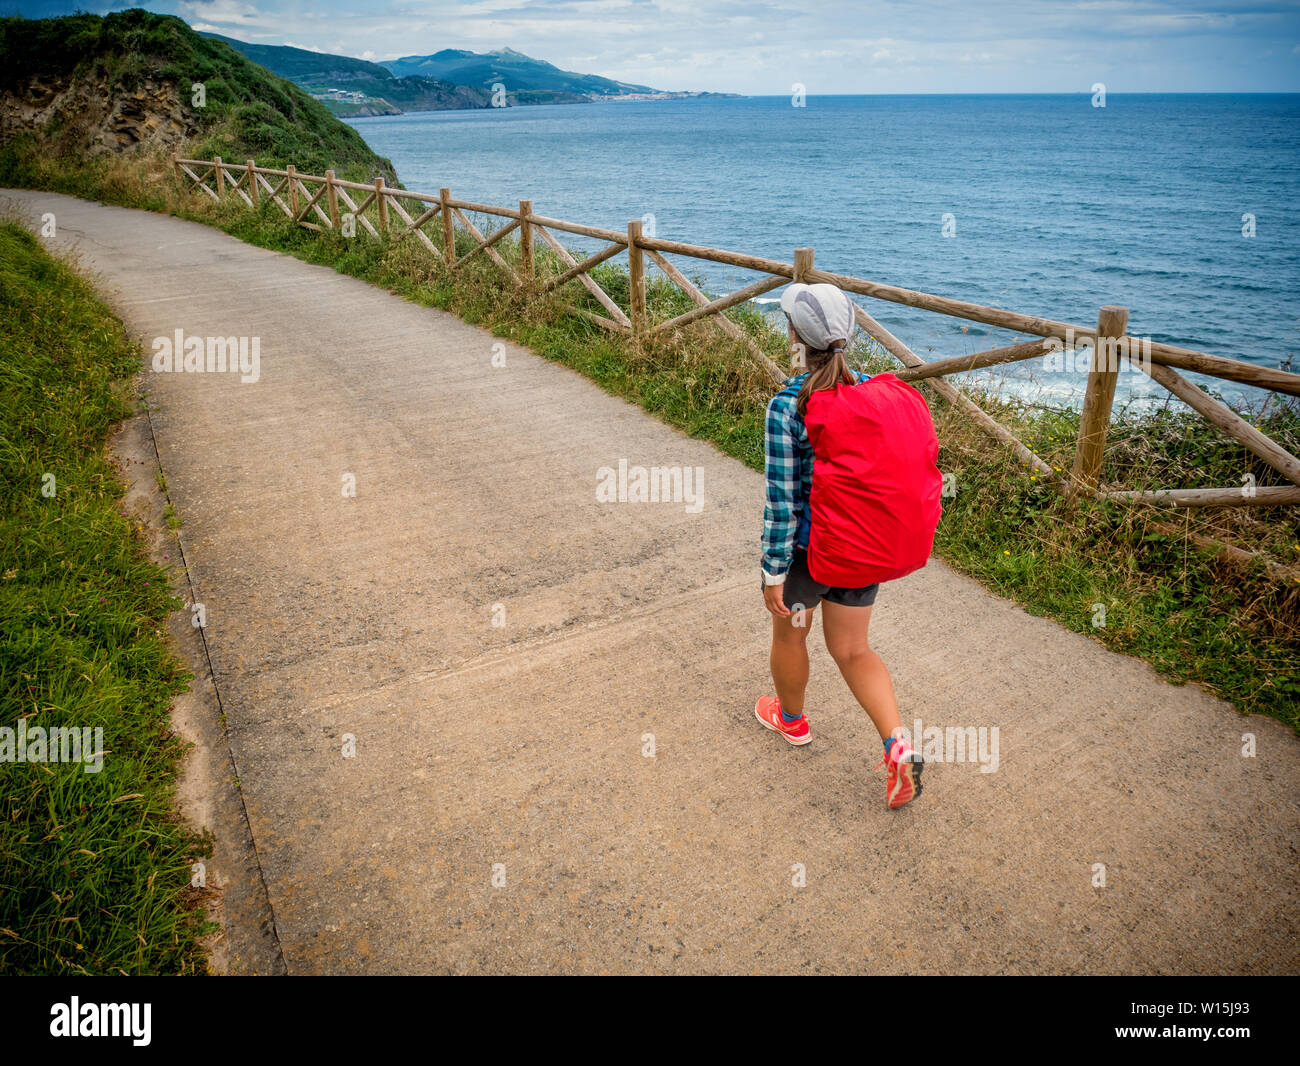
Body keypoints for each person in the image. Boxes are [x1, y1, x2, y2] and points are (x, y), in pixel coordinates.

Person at [755, 282, 923, 810]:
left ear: (793, 336)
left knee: (792, 635)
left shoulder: (788, 406)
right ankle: (898, 745)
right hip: (860, 545)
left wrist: (773, 571)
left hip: (810, 555)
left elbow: (783, 501)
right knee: (853, 649)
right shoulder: (876, 391)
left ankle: (792, 721)